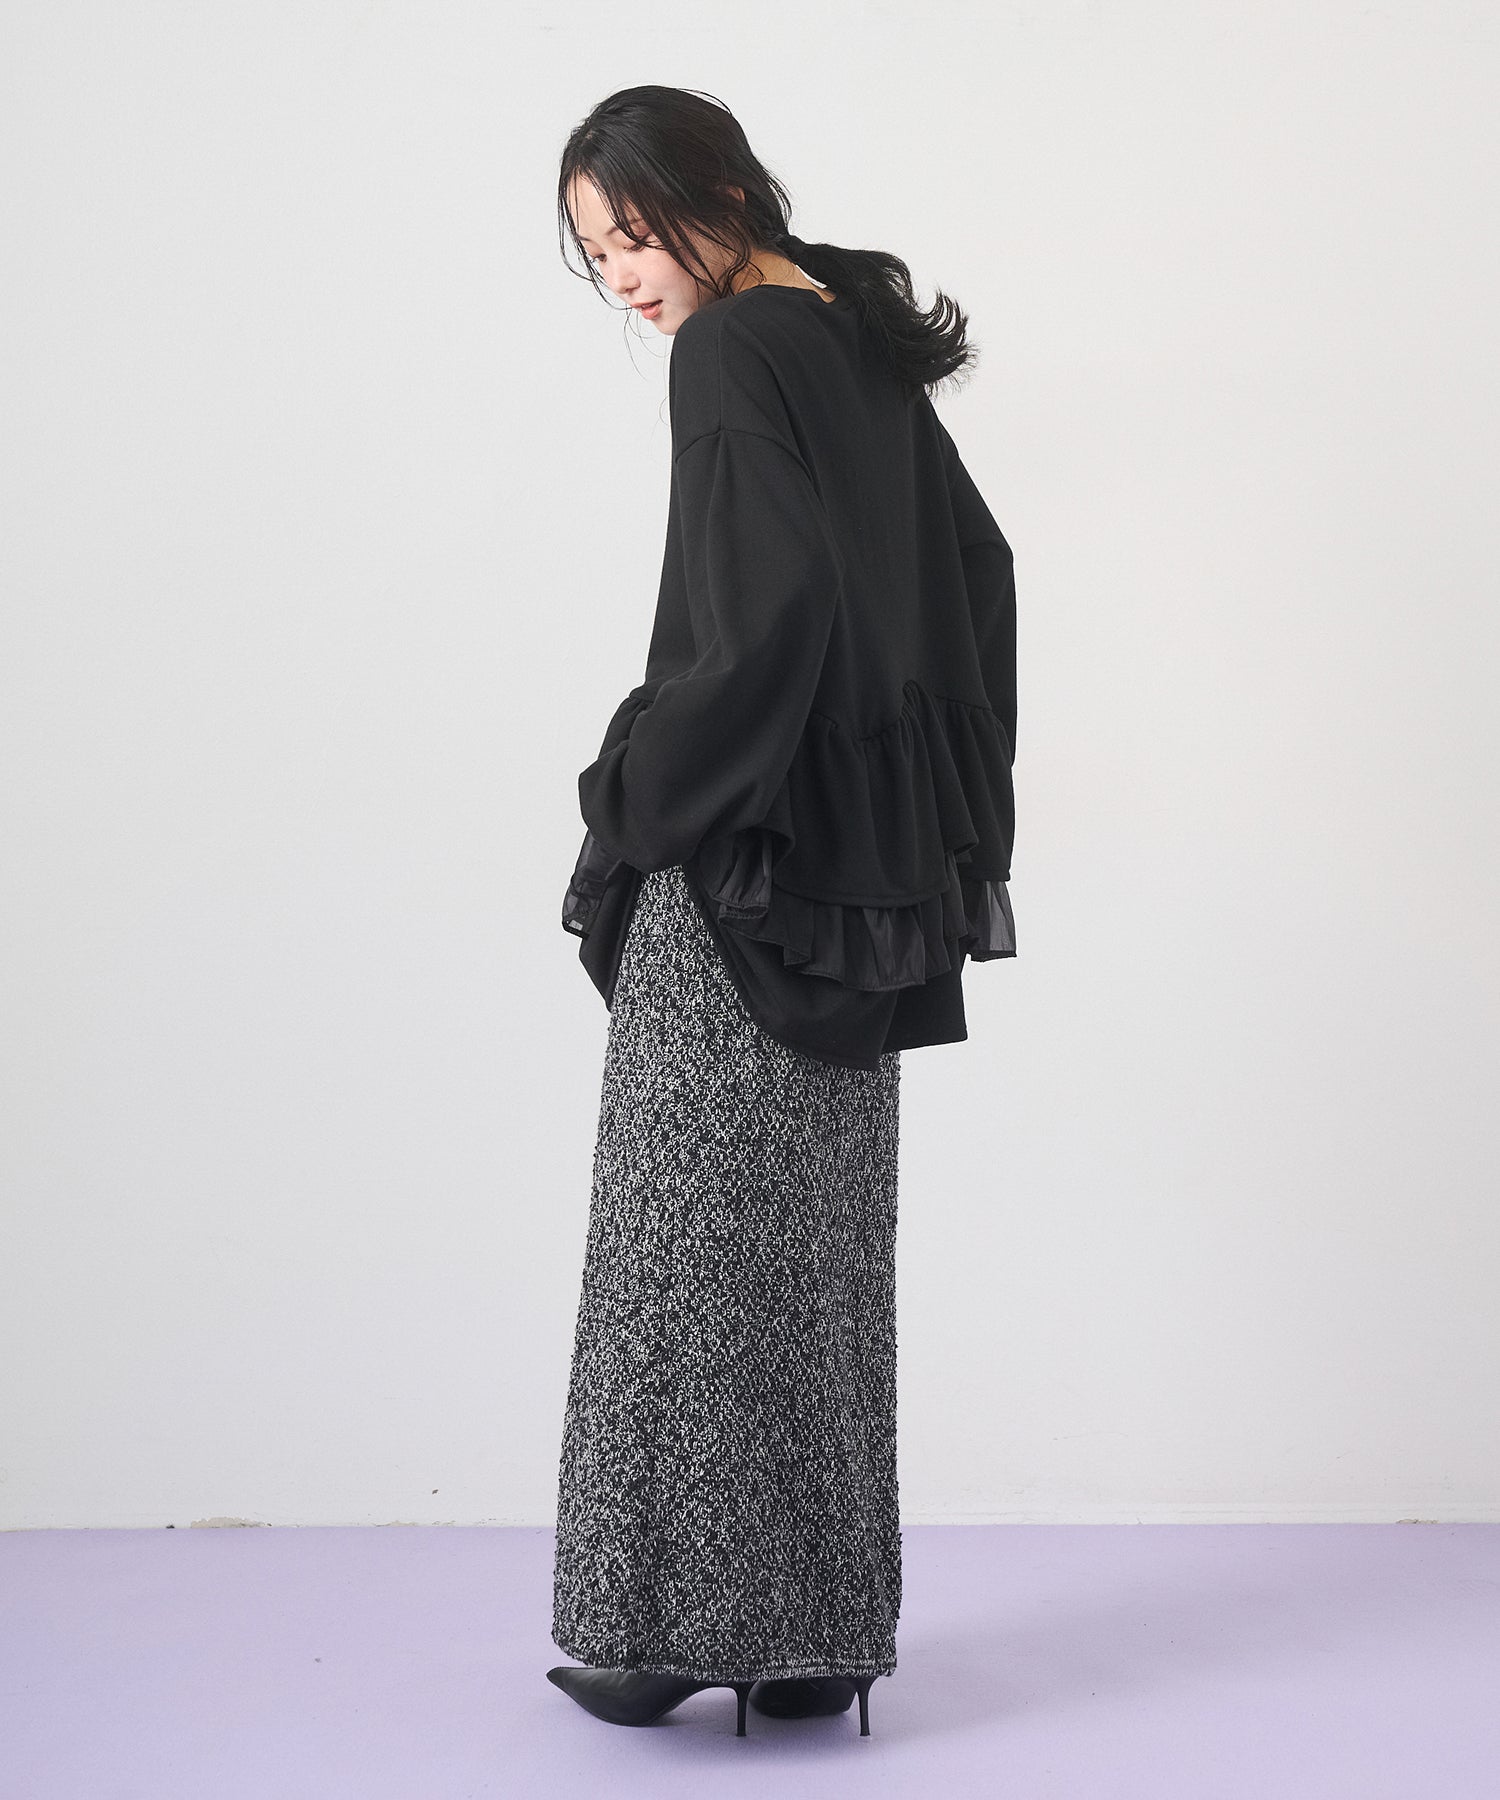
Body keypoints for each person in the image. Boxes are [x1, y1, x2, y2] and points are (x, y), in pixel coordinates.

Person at [547, 84, 1017, 1741]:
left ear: (728, 195)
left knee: (675, 1250)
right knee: (816, 1263)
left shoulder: (734, 349)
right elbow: (980, 572)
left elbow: (768, 620)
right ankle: (818, 1642)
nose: (625, 274)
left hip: (745, 861)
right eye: (596, 251)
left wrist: (636, 794)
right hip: (863, 883)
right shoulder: (854, 337)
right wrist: (927, 799)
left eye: (637, 232)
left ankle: (668, 1629)